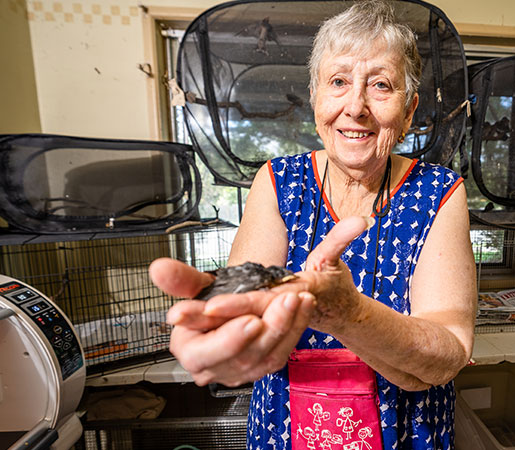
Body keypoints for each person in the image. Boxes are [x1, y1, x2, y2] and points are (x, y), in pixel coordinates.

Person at [149, 1, 476, 449]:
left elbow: (448, 354)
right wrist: (226, 329)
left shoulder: (440, 191)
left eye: (381, 85)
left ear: (409, 110)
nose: (355, 107)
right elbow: (246, 303)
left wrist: (350, 314)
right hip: (285, 429)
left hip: (408, 432)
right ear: (316, 98)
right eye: (338, 81)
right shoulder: (278, 181)